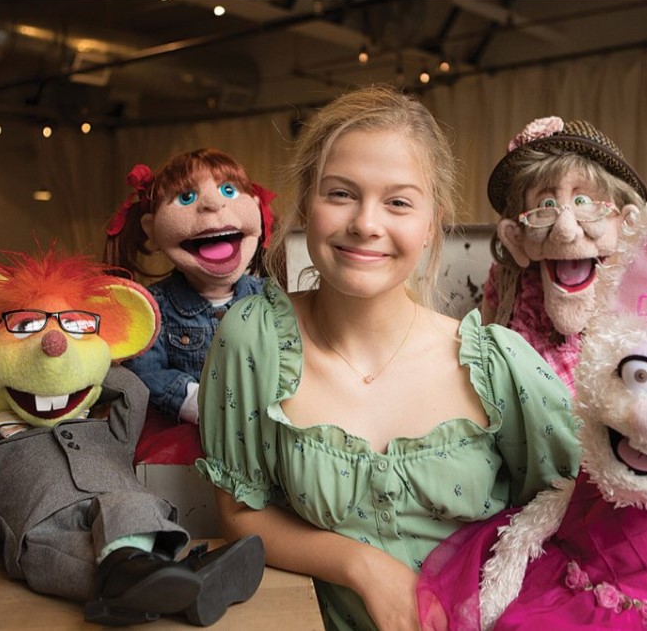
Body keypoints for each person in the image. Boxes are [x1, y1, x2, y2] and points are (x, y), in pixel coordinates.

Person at [195, 84, 580, 631]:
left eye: (398, 202)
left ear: (431, 223)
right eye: (340, 194)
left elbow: (580, 515)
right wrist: (364, 567)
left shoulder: (500, 365)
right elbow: (239, 512)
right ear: (307, 204)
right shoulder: (252, 338)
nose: (366, 223)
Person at [105, 148, 275, 425]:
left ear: (257, 206)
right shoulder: (154, 309)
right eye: (186, 197)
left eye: (229, 190)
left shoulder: (273, 298)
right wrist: (197, 401)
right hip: (191, 436)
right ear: (151, 229)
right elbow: (145, 373)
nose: (214, 204)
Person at [481, 116, 647, 392]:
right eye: (546, 204)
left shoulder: (646, 290)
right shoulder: (505, 281)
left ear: (626, 223)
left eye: (582, 201)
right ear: (516, 237)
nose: (565, 230)